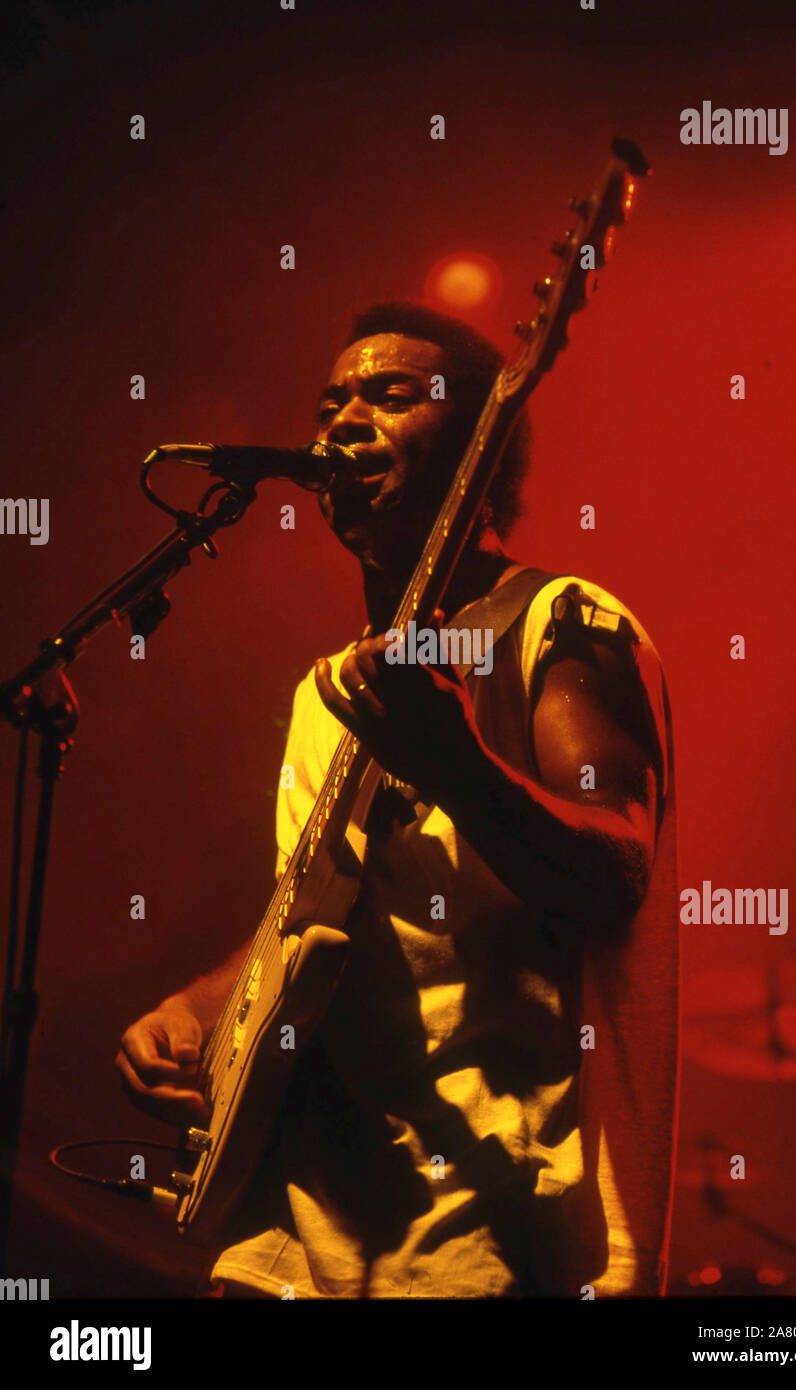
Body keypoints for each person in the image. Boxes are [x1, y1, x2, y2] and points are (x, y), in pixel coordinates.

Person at [116, 301, 679, 1299]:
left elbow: (617, 867)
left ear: (477, 451)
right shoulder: (327, 687)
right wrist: (193, 1010)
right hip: (293, 1235)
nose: (342, 420)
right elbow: (319, 908)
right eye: (331, 400)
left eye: (388, 395)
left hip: (484, 1233)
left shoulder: (558, 621)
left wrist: (455, 762)